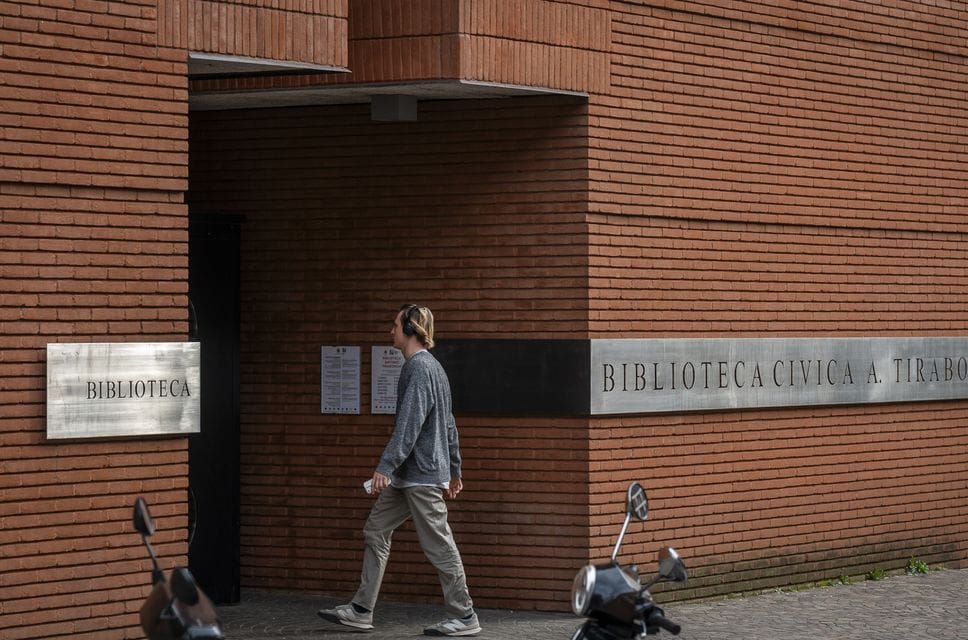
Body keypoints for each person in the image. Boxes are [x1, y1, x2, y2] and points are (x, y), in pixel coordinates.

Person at [318, 304, 481, 637]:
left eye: (395, 325)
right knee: (375, 531)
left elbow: (410, 424)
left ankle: (464, 615)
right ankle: (361, 610)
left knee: (439, 545)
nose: (390, 330)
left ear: (410, 329)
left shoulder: (419, 369)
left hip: (420, 476)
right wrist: (455, 468)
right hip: (409, 476)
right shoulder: (434, 368)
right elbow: (449, 423)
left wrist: (385, 466)